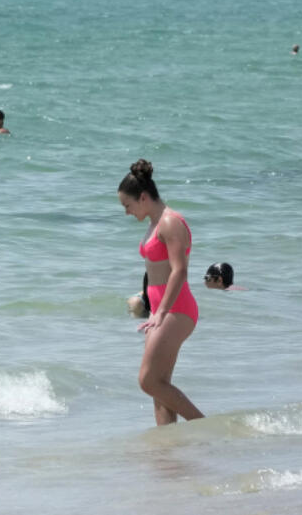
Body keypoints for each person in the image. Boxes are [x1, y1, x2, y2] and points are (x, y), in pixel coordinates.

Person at [118, 159, 203, 425]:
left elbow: (179, 271)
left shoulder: (171, 222)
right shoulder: (154, 222)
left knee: (148, 381)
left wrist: (162, 312)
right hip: (160, 310)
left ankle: (203, 426)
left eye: (128, 206)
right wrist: (153, 308)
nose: (127, 212)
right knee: (160, 388)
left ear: (143, 197)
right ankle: (168, 451)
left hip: (176, 309)